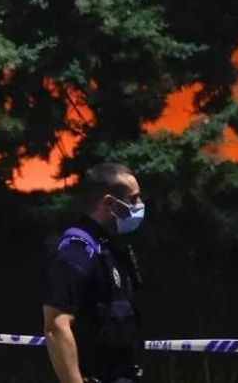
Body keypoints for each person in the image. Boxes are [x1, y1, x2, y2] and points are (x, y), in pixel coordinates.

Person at [43, 163, 147, 383]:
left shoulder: (110, 247)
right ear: (109, 203)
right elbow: (56, 326)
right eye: (133, 199)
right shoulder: (77, 249)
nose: (139, 206)